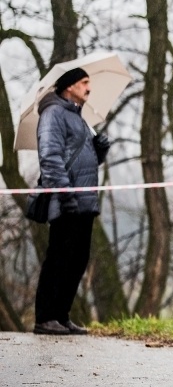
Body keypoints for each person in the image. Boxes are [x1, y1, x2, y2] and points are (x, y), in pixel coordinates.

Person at [33, 67, 110, 335]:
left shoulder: (78, 117)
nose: (89, 88)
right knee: (59, 257)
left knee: (78, 259)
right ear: (69, 86)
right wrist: (64, 194)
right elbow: (50, 156)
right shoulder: (53, 114)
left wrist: (99, 150)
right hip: (66, 200)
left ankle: (61, 315)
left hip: (85, 202)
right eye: (84, 82)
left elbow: (82, 162)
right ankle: (45, 318)